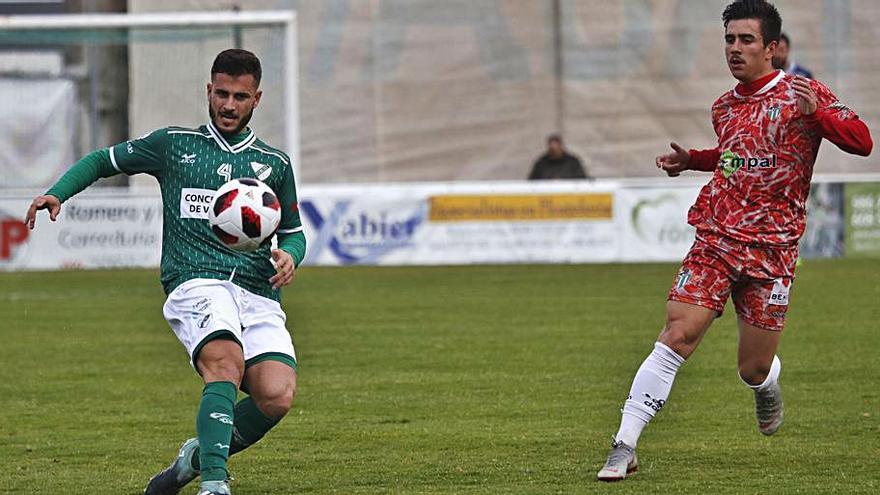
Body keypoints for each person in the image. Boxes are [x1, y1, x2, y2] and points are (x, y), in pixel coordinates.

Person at [597, 0, 871, 482]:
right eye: (729, 40)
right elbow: (736, 155)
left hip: (773, 250)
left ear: (773, 48)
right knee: (677, 335)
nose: (735, 49)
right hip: (717, 236)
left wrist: (819, 117)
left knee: (752, 367)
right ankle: (624, 446)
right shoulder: (724, 105)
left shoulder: (803, 94)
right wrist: (696, 161)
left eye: (746, 40)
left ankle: (766, 384)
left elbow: (862, 140)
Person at [25, 49, 306, 495]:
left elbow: (293, 233)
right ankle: (214, 483)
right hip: (195, 279)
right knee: (225, 364)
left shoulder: (276, 164)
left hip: (256, 290)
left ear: (257, 100)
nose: (228, 105)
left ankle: (195, 458)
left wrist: (291, 255)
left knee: (276, 395)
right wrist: (58, 193)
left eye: (239, 96)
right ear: (208, 92)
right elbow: (103, 160)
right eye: (221, 94)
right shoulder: (173, 145)